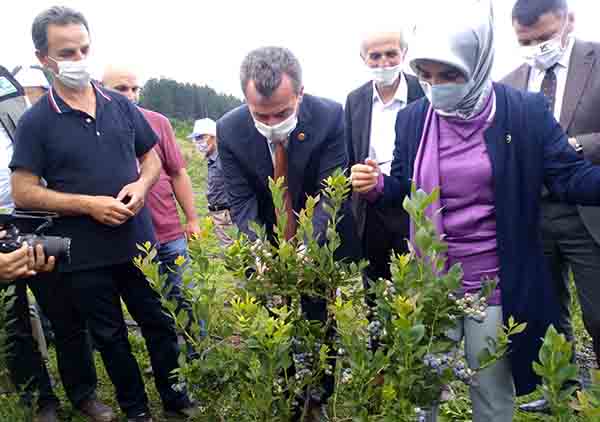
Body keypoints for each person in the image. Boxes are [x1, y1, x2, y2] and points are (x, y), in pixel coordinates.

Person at [350, 3, 600, 421]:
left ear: (479, 63)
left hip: (494, 284)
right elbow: (405, 189)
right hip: (431, 281)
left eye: (450, 75)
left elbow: (569, 178)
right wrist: (376, 186)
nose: (436, 87)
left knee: (492, 393)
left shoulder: (522, 113)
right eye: (425, 75)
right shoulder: (414, 119)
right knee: (420, 392)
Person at [10, 7, 197, 422]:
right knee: (110, 335)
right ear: (45, 58)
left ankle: (175, 396)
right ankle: (136, 410)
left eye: (84, 48)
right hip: (85, 249)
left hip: (139, 239)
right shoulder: (37, 122)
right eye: (67, 52)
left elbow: (150, 158)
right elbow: (23, 191)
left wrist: (141, 185)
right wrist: (87, 204)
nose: (78, 58)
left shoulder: (119, 104)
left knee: (160, 321)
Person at [218, 46, 359, 421]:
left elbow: (332, 191)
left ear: (300, 93)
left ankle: (320, 396)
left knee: (318, 316)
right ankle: (287, 392)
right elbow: (242, 199)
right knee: (270, 321)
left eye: (282, 112)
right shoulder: (229, 129)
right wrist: (260, 250)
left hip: (316, 230)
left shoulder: (329, 116)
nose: (271, 121)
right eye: (260, 115)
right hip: (266, 230)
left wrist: (310, 247)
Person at [503, 0, 600, 412]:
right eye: (526, 41)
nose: (536, 47)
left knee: (598, 310)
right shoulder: (509, 82)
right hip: (535, 214)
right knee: (547, 307)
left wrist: (574, 146)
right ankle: (562, 390)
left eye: (544, 37)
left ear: (568, 22)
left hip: (588, 208)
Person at [101, 66, 201, 359]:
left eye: (135, 89)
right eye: (121, 89)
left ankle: (200, 355)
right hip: (130, 237)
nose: (131, 95)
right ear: (100, 88)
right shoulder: (95, 128)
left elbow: (178, 173)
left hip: (169, 231)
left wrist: (192, 218)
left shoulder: (158, 122)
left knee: (185, 296)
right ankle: (169, 359)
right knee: (152, 304)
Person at [344, 31, 424, 317]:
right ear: (363, 58)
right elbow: (350, 151)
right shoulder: (355, 100)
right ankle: (378, 345)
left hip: (414, 202)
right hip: (371, 204)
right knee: (375, 288)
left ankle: (414, 354)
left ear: (404, 53)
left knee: (415, 287)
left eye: (391, 54)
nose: (383, 62)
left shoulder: (423, 92)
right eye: (375, 56)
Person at [0, 64, 58, 422]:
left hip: (31, 215)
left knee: (61, 304)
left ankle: (83, 390)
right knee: (13, 318)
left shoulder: (7, 93)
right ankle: (40, 401)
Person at [188, 118, 233, 247]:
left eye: (201, 137)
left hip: (228, 215)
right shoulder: (212, 159)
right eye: (195, 139)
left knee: (234, 255)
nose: (197, 142)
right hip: (219, 214)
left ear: (214, 136)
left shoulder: (223, 159)